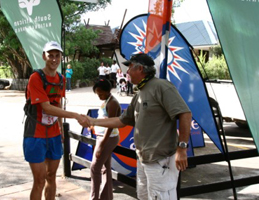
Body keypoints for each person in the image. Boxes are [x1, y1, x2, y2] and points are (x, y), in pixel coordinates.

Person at [84, 53, 192, 200]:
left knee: (160, 197)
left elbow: (185, 113)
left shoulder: (162, 86)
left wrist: (182, 148)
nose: (127, 72)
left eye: (129, 68)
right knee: (143, 196)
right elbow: (121, 121)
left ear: (140, 69)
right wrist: (93, 121)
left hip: (161, 160)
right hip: (143, 159)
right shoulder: (139, 93)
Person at [23, 41, 89, 200]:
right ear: (43, 56)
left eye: (57, 56)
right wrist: (76, 115)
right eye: (50, 55)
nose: (54, 59)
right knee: (39, 180)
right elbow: (46, 107)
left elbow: (57, 103)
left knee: (51, 177)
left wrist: (60, 129)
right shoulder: (36, 77)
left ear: (61, 57)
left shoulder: (61, 78)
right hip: (35, 134)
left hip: (53, 133)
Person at [89, 79, 121, 200]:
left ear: (108, 91)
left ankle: (94, 197)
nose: (99, 96)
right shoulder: (107, 100)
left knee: (95, 167)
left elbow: (111, 124)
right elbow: (103, 119)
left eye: (101, 94)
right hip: (103, 137)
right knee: (105, 168)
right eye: (98, 94)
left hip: (108, 138)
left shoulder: (112, 103)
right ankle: (106, 197)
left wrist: (102, 144)